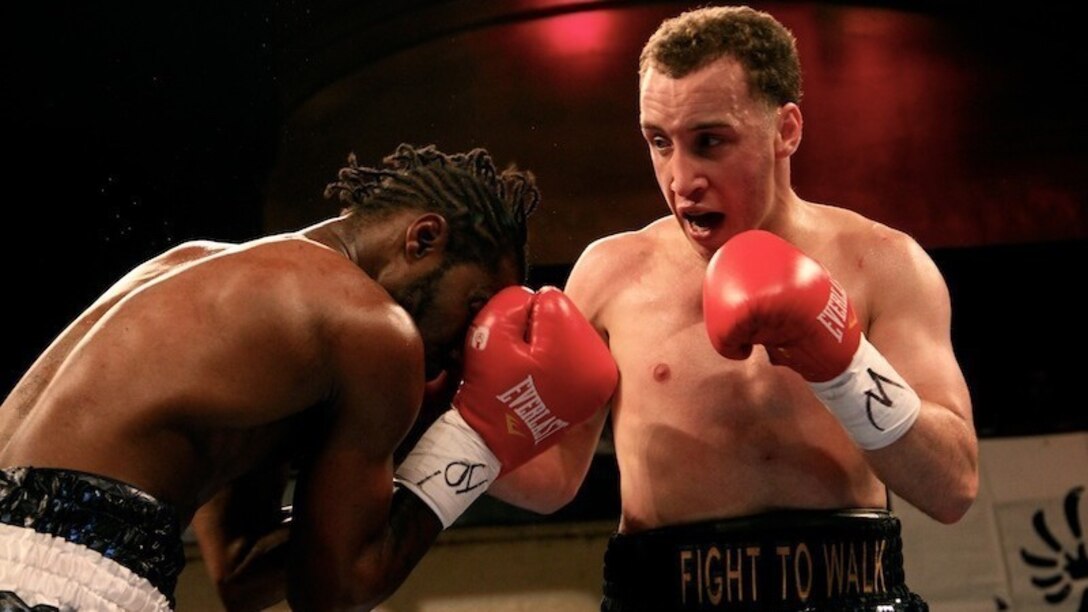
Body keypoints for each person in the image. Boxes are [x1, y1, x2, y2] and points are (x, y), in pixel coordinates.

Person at [488, 6, 978, 611]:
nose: (680, 178)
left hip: (852, 589)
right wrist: (450, 412)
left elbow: (953, 487)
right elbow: (553, 482)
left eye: (710, 142)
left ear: (786, 130)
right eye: (659, 142)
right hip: (662, 594)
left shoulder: (883, 264)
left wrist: (846, 369)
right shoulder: (612, 274)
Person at [0, 143, 618, 611]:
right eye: (474, 303)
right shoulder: (374, 329)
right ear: (424, 238)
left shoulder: (200, 271)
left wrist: (417, 438)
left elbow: (241, 573)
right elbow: (335, 596)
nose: (463, 348)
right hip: (65, 577)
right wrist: (473, 442)